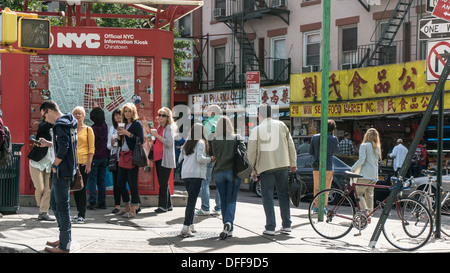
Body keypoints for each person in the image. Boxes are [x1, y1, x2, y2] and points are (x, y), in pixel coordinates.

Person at [248, 104, 297, 236]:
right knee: (283, 195)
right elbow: (291, 145)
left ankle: (270, 227)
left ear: (259, 115)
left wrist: (253, 170)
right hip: (282, 165)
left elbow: (251, 153)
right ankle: (287, 225)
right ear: (271, 113)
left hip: (265, 167)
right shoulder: (282, 125)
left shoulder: (256, 130)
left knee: (267, 196)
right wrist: (293, 162)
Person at [39, 100, 77, 253]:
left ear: (49, 111)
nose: (45, 120)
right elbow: (62, 143)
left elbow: (63, 148)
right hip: (65, 170)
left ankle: (64, 246)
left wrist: (55, 165)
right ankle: (63, 238)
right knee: (55, 203)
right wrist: (49, 144)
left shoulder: (60, 125)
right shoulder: (69, 120)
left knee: (62, 207)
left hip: (62, 171)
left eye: (44, 116)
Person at [178, 123, 215, 237]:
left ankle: (191, 225)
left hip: (186, 174)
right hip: (196, 175)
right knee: (192, 202)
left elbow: (180, 158)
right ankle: (185, 227)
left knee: (191, 200)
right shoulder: (201, 142)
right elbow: (200, 159)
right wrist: (210, 159)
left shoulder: (188, 142)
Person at [211, 116, 244, 239]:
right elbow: (243, 152)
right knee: (231, 199)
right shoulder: (237, 138)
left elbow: (215, 155)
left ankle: (227, 228)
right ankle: (229, 222)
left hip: (219, 172)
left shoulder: (215, 139)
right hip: (233, 172)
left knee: (223, 200)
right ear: (230, 126)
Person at [117, 103, 144, 218]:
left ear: (133, 112)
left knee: (133, 183)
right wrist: (119, 137)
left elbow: (140, 140)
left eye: (129, 111)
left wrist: (127, 133)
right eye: (125, 111)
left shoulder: (136, 124)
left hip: (132, 156)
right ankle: (127, 205)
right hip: (123, 155)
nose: (127, 113)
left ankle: (134, 207)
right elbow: (121, 143)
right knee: (120, 183)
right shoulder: (124, 124)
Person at [350, 128, 381, 221]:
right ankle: (369, 215)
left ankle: (365, 212)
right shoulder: (377, 147)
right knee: (370, 195)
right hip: (374, 175)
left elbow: (361, 160)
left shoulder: (364, 145)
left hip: (365, 174)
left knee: (358, 193)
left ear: (367, 135)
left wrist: (352, 168)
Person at [27, 121, 55, 221]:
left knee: (48, 189)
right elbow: (42, 127)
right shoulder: (44, 126)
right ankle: (41, 206)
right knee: (40, 188)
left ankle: (43, 212)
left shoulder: (60, 132)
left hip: (49, 164)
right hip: (36, 162)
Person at [309, 119, 339, 210]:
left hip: (317, 166)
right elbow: (337, 151)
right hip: (328, 166)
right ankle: (322, 206)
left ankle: (317, 206)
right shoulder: (333, 139)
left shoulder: (315, 137)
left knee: (317, 187)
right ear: (333, 129)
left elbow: (310, 152)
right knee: (326, 188)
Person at [151, 107, 177, 213]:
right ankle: (168, 205)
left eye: (163, 115)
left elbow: (169, 142)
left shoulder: (169, 128)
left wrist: (156, 135)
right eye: (159, 115)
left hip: (165, 158)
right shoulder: (159, 127)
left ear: (167, 117)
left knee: (163, 183)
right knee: (163, 182)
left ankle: (162, 206)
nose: (160, 117)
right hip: (158, 158)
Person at [72, 106, 95, 223]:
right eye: (75, 113)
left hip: (84, 162)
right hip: (73, 163)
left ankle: (82, 214)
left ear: (84, 115)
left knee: (81, 188)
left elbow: (91, 148)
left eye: (80, 113)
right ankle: (78, 212)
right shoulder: (71, 129)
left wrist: (89, 163)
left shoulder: (88, 130)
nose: (77, 115)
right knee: (75, 189)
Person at [198, 104, 222, 216]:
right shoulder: (225, 123)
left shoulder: (207, 123)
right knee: (220, 183)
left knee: (205, 181)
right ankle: (219, 208)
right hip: (222, 157)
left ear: (212, 112)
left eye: (207, 111)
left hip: (210, 156)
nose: (206, 113)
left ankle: (205, 208)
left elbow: (204, 141)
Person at [87, 107, 109, 210]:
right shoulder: (105, 126)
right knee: (101, 180)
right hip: (104, 156)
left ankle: (92, 201)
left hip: (95, 157)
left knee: (92, 179)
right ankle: (102, 202)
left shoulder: (92, 129)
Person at [107, 108, 122, 214]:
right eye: (116, 115)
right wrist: (111, 144)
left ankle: (130, 204)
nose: (118, 117)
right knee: (116, 183)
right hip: (115, 158)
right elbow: (107, 145)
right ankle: (117, 205)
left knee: (124, 182)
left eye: (119, 115)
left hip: (125, 158)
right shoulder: (112, 128)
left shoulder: (126, 127)